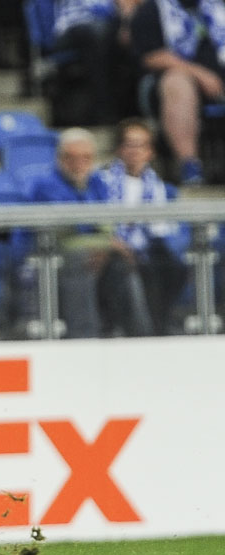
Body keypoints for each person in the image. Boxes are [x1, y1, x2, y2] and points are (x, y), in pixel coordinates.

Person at [27, 126, 152, 338]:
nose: (79, 164)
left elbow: (106, 225)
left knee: (123, 263)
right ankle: (84, 337)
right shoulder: (46, 185)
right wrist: (106, 244)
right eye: (71, 158)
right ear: (60, 159)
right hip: (54, 254)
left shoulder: (97, 182)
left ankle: (139, 337)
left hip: (97, 251)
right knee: (82, 260)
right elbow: (66, 233)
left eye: (86, 158)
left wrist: (106, 246)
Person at [100, 117, 187, 335]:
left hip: (149, 248)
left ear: (151, 151)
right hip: (114, 249)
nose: (135, 151)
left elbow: (161, 228)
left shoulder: (158, 186)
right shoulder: (103, 180)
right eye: (130, 144)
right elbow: (99, 223)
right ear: (119, 149)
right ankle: (134, 331)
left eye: (141, 145)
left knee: (173, 264)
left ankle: (162, 327)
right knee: (123, 267)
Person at [131, 0, 225, 185]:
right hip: (170, 84)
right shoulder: (152, 10)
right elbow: (151, 56)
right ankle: (190, 165)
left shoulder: (218, 6)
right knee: (177, 83)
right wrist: (200, 74)